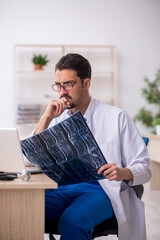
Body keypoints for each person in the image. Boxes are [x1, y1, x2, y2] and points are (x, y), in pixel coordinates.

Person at [27, 53, 151, 240]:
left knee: (73, 221)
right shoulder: (56, 117)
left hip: (100, 191)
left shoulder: (117, 117)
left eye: (68, 84)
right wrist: (46, 118)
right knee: (19, 208)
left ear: (86, 84)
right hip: (61, 188)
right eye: (58, 86)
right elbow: (28, 159)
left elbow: (145, 169)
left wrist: (122, 172)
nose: (62, 92)